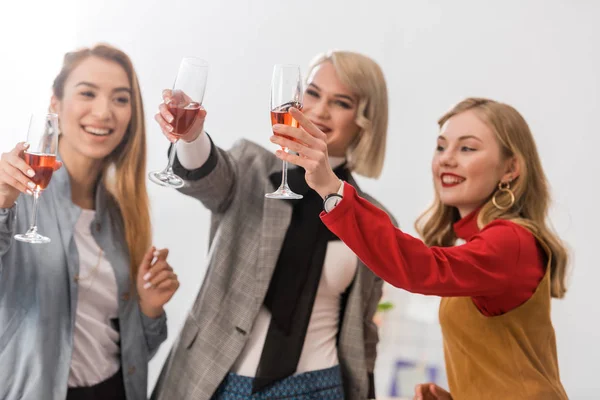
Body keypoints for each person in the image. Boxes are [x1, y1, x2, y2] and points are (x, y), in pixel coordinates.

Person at [272, 97, 569, 399]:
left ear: (511, 169)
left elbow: (422, 268)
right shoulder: (483, 245)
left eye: (467, 148)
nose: (447, 159)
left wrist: (331, 189)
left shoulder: (512, 241)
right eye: (441, 146)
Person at [151, 51, 394, 400]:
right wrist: (191, 138)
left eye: (341, 102)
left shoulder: (372, 216)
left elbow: (364, 330)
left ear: (365, 119)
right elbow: (207, 176)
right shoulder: (252, 168)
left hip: (318, 387)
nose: (321, 110)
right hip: (215, 380)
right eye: (312, 93)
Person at [0, 44, 179, 400]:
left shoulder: (122, 213)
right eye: (87, 93)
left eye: (120, 99)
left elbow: (133, 353)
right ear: (55, 102)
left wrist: (149, 309)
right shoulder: (14, 195)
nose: (103, 112)